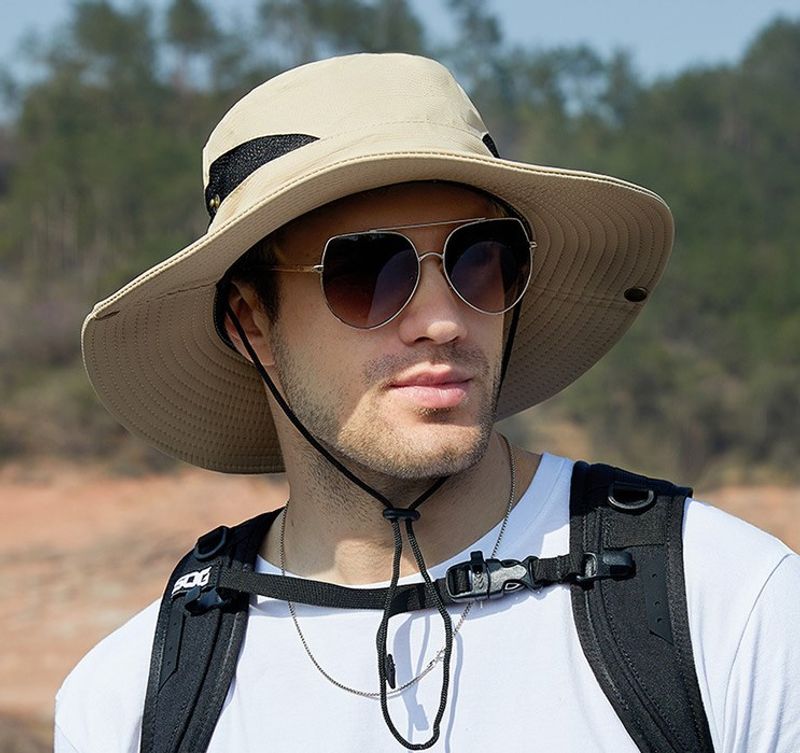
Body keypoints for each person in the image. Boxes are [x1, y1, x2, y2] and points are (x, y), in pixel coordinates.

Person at [56, 53, 799, 752]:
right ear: (254, 322)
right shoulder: (129, 700)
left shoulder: (724, 608)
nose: (444, 319)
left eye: (482, 258)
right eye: (369, 270)